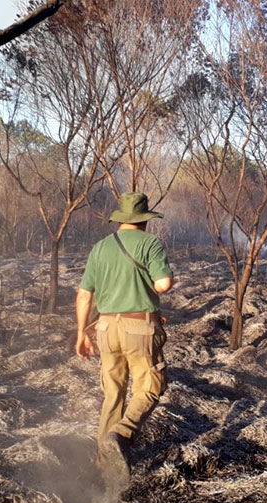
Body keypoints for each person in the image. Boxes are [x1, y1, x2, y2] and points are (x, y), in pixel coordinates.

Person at [75, 192, 174, 487]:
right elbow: (163, 284)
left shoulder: (100, 248)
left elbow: (84, 295)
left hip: (105, 328)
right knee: (150, 386)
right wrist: (160, 280)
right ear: (145, 220)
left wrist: (81, 333)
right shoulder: (151, 243)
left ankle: (105, 468)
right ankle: (122, 435)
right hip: (139, 327)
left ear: (120, 219)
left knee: (113, 393)